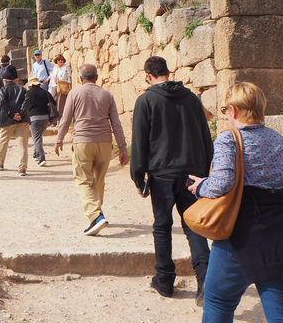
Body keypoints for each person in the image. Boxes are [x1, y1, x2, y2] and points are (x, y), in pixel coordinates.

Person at [188, 82, 283, 322]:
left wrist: (200, 186)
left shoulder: (229, 139)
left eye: (225, 110)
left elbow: (223, 183)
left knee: (218, 301)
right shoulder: (278, 139)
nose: (225, 115)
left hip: (243, 233)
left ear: (234, 110)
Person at [130, 56, 213, 304]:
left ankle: (165, 280)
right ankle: (205, 277)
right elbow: (205, 136)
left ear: (148, 76)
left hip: (161, 173)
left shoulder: (145, 100)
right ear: (169, 72)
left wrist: (138, 177)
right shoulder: (190, 99)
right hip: (192, 172)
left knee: (162, 226)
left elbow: (139, 141)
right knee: (193, 226)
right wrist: (207, 173)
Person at [55, 63, 128, 236]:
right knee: (98, 180)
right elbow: (116, 123)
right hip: (104, 142)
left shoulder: (74, 93)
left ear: (80, 79)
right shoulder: (107, 95)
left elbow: (65, 119)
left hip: (83, 142)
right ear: (97, 77)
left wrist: (59, 140)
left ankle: (95, 216)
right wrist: (123, 148)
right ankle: (97, 214)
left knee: (83, 180)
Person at [0, 69, 30, 176]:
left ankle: (0, 163)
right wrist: (20, 114)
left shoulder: (3, 90)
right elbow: (26, 103)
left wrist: (12, 115)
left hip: (7, 119)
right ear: (14, 80)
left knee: (3, 141)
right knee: (22, 144)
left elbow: (3, 103)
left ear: (5, 81)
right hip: (23, 119)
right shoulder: (23, 89)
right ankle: (22, 168)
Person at [26, 76, 55, 166]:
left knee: (36, 138)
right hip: (45, 118)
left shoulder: (28, 93)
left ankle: (41, 158)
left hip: (33, 118)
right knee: (38, 137)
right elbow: (54, 103)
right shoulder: (45, 92)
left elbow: (24, 106)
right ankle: (35, 154)